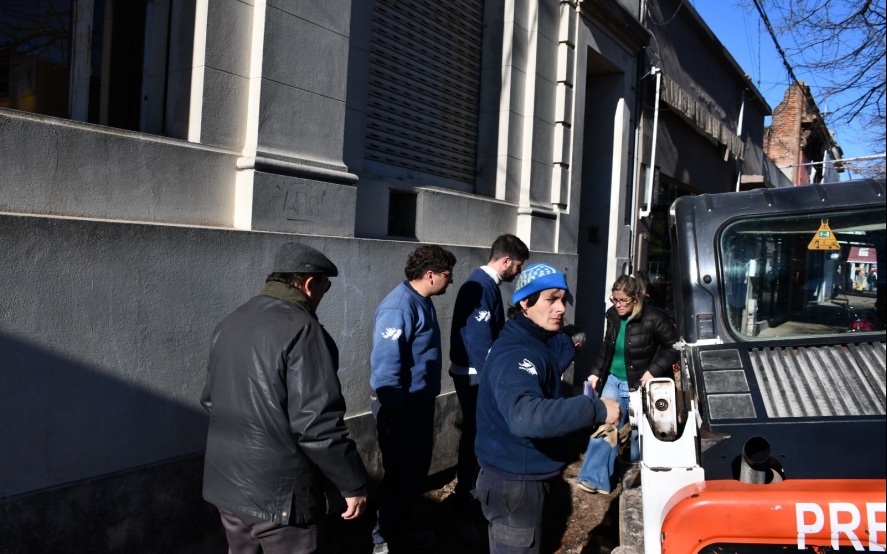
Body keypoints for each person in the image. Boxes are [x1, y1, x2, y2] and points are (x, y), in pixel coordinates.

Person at [201, 242, 368, 553]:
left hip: (227, 486)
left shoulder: (229, 322)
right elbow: (317, 423)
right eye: (325, 285)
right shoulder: (304, 329)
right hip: (281, 498)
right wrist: (352, 483)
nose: (323, 294)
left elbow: (211, 401)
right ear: (309, 283)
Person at [474, 263, 621, 554]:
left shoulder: (536, 340)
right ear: (524, 303)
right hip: (515, 484)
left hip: (527, 476)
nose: (561, 308)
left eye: (563, 299)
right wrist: (595, 408)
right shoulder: (515, 353)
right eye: (551, 299)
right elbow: (525, 416)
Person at [370, 244, 457, 553]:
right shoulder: (399, 307)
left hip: (418, 405)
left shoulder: (422, 301)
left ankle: (402, 531)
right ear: (430, 275)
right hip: (401, 408)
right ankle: (382, 539)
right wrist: (395, 411)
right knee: (398, 476)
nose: (450, 281)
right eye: (448, 275)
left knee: (413, 475)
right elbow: (386, 365)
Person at [448, 233, 529, 542]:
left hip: (475, 374)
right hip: (475, 376)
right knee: (475, 437)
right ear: (506, 261)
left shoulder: (485, 285)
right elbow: (480, 342)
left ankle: (470, 500)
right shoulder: (480, 286)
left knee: (476, 435)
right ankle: (464, 504)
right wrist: (494, 381)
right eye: (518, 266)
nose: (518, 273)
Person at [576, 274, 679, 494]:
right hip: (614, 379)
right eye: (615, 300)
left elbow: (673, 347)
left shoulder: (654, 317)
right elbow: (607, 348)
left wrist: (653, 371)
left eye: (623, 300)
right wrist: (595, 373)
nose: (618, 305)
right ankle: (594, 479)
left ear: (636, 298)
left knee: (637, 433)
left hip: (639, 383)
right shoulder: (613, 315)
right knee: (605, 426)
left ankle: (636, 482)